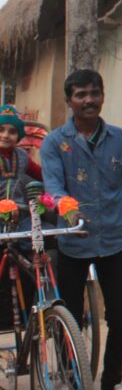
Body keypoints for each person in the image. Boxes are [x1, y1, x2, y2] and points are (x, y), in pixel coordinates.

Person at [40, 69, 122, 390]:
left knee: (121, 318)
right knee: (70, 323)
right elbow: (54, 188)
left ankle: (111, 384)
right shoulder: (55, 143)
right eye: (80, 95)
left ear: (103, 96)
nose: (88, 100)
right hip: (72, 243)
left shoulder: (118, 139)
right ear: (69, 101)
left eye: (94, 93)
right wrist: (70, 214)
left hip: (111, 241)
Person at [0, 104, 43, 365]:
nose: (5, 135)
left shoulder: (24, 159)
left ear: (19, 137)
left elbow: (42, 177)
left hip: (22, 222)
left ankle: (38, 310)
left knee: (34, 259)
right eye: (0, 130)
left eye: (11, 132)